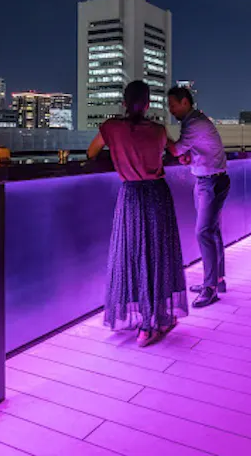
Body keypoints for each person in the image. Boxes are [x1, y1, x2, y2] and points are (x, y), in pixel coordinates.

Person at [87, 81, 188, 347]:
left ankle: (144, 324)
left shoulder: (111, 128)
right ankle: (158, 320)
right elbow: (177, 151)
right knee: (158, 256)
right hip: (157, 194)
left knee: (134, 256)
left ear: (123, 102)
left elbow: (91, 152)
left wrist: (120, 154)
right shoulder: (158, 130)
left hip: (131, 195)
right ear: (147, 105)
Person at [166, 86, 229, 308]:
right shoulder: (195, 121)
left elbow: (174, 150)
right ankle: (216, 281)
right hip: (212, 179)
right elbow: (198, 151)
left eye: (172, 105)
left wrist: (159, 133)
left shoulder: (193, 123)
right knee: (212, 231)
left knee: (204, 232)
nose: (170, 110)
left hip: (210, 182)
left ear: (185, 102)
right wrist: (190, 159)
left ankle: (210, 288)